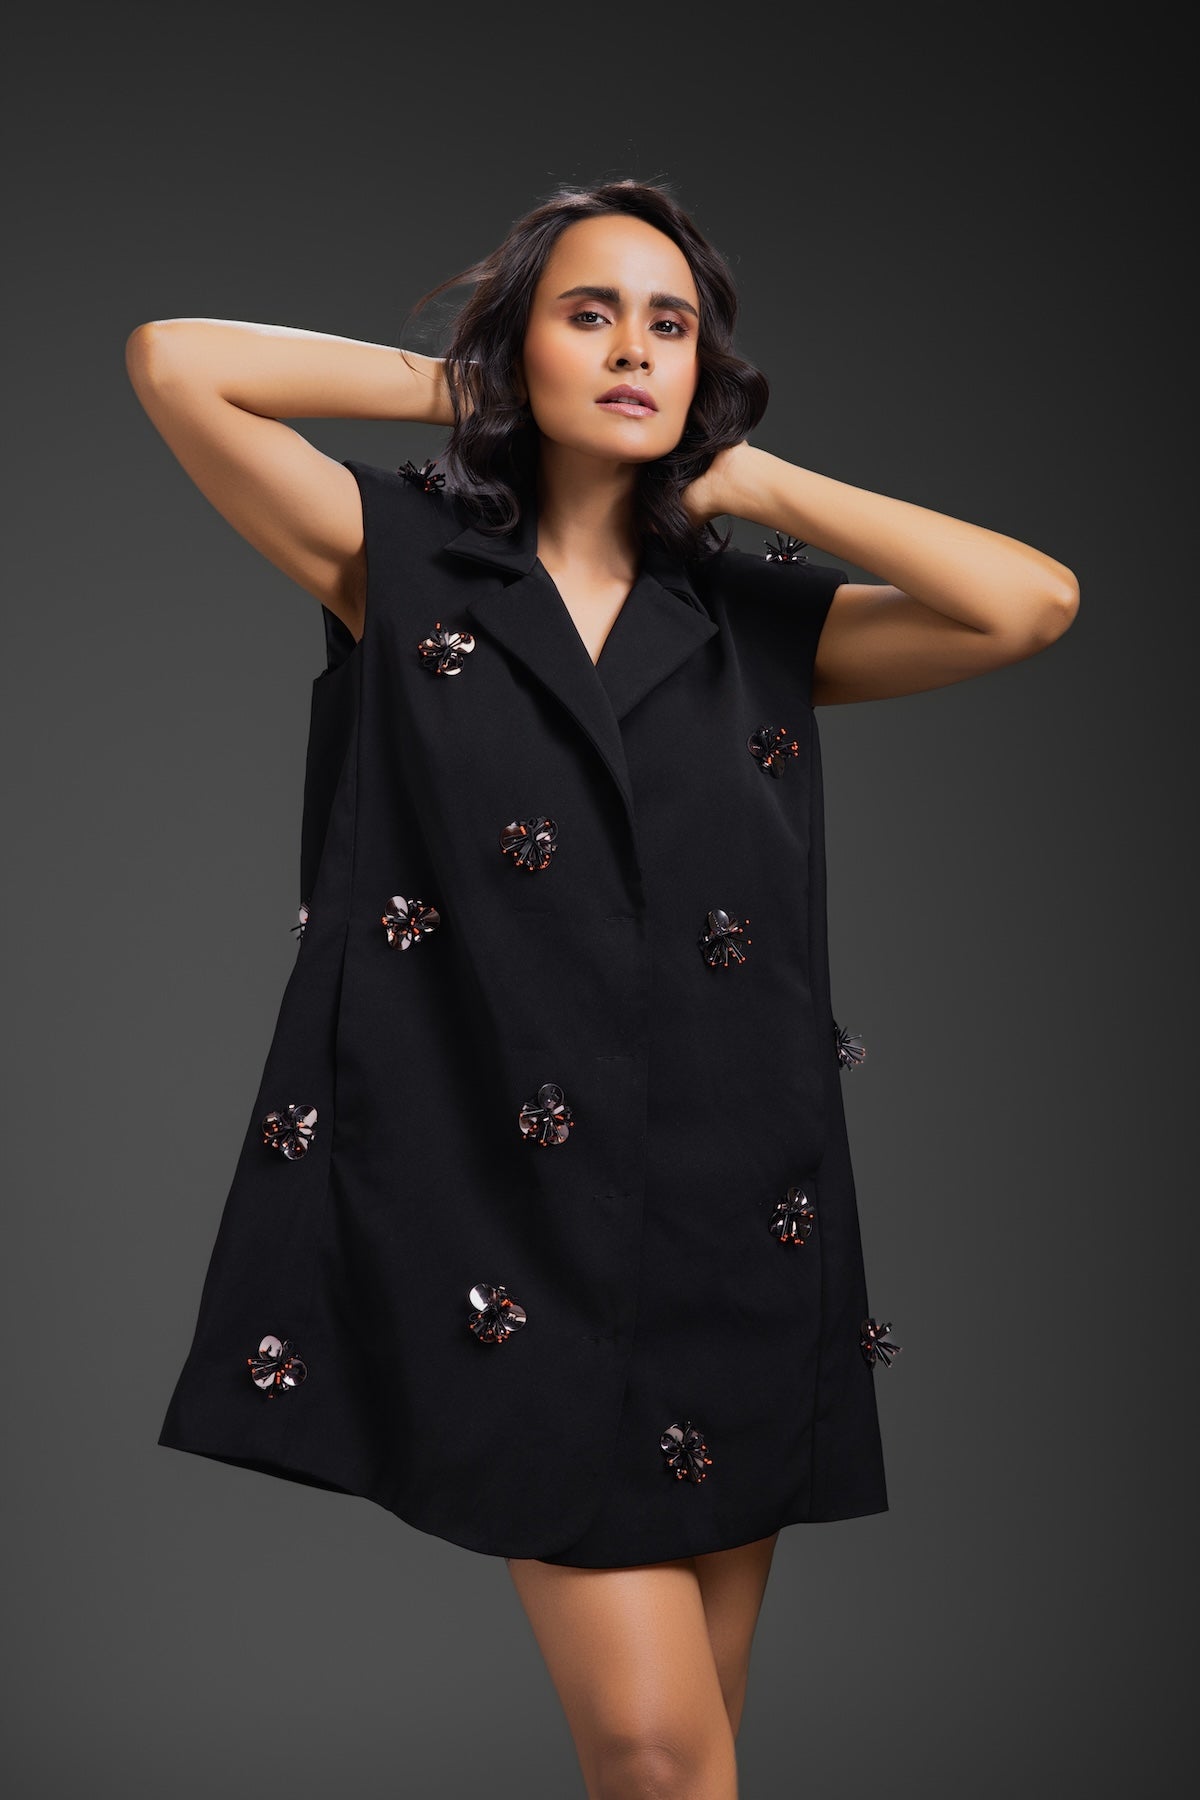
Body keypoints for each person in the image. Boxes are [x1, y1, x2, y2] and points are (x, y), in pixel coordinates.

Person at [126, 178, 1078, 1800]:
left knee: (689, 1759)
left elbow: (1030, 602)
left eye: (671, 325)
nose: (636, 350)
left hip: (737, 1225)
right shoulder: (399, 559)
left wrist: (756, 479)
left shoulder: (753, 619)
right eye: (590, 314)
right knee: (654, 1750)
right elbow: (177, 362)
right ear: (525, 343)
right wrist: (473, 380)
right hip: (508, 1233)